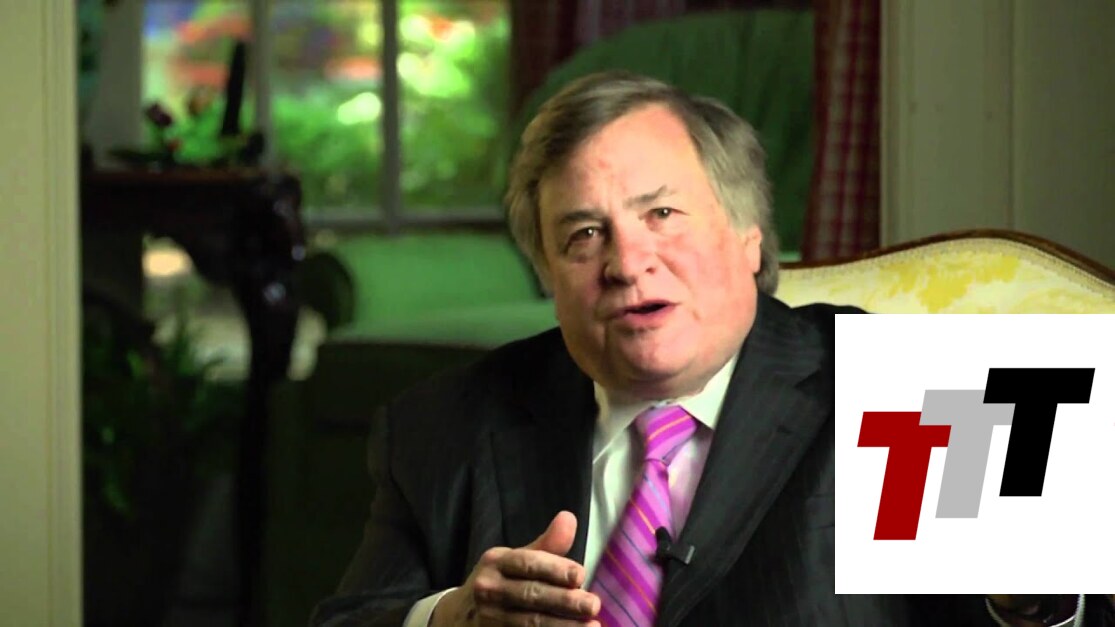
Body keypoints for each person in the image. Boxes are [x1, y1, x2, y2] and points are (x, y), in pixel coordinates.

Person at [311, 72, 1099, 626]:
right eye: (583, 234)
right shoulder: (446, 423)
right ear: (548, 272)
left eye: (661, 214)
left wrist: (1032, 594)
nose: (627, 263)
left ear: (748, 235)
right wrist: (449, 618)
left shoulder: (895, 379)